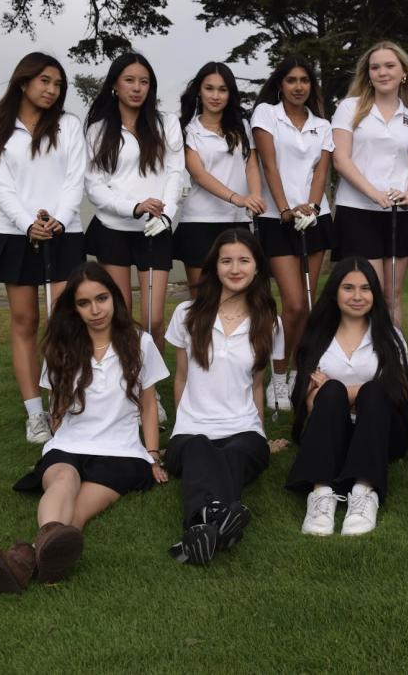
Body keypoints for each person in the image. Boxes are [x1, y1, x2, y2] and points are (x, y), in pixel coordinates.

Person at [0, 262, 168, 593]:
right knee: (64, 478)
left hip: (119, 453)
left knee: (78, 511)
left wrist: (152, 455)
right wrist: (58, 445)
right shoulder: (61, 348)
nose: (95, 310)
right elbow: (57, 410)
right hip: (70, 446)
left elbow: (148, 406)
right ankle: (41, 560)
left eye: (101, 298)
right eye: (84, 303)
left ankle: (21, 562)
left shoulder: (139, 342)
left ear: (115, 298)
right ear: (73, 308)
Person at [0, 52, 87, 444]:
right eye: (44, 81)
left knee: (64, 323)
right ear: (23, 82)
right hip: (15, 234)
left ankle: (62, 404)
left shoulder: (70, 125)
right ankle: (35, 415)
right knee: (24, 324)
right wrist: (28, 225)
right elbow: (2, 187)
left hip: (65, 231)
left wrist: (57, 218)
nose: (52, 90)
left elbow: (76, 177)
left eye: (58, 84)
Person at [164, 229, 289, 566]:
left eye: (244, 260)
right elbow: (181, 377)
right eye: (227, 261)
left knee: (236, 452)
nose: (235, 268)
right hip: (191, 432)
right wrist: (181, 425)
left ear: (258, 268)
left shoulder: (270, 323)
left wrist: (261, 437)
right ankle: (219, 521)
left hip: (243, 431)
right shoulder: (187, 314)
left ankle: (200, 527)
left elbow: (257, 386)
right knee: (200, 446)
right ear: (215, 267)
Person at [284, 257, 408, 537]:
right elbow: (309, 401)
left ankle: (364, 491)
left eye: (365, 288)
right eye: (348, 288)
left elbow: (399, 393)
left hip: (381, 433)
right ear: (333, 293)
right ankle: (321, 493)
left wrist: (342, 390)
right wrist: (342, 391)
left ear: (375, 294)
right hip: (333, 433)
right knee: (342, 391)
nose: (357, 296)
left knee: (367, 392)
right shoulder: (317, 337)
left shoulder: (391, 336)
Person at [83, 52, 185, 366]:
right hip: (112, 231)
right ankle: (129, 383)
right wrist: (134, 207)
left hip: (155, 231)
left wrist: (165, 215)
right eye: (129, 80)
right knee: (122, 316)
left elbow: (175, 172)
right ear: (115, 84)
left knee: (153, 321)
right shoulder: (98, 130)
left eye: (144, 81)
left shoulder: (166, 122)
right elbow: (94, 186)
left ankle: (150, 389)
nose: (137, 88)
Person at [250, 56, 336, 412]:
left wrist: (312, 209)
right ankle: (279, 378)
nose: (299, 86)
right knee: (294, 304)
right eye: (291, 80)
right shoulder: (266, 114)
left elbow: (321, 172)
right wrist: (286, 210)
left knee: (309, 306)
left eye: (305, 80)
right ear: (280, 84)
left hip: (315, 217)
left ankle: (301, 374)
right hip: (277, 217)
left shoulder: (323, 125)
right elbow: (268, 165)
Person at [329, 41, 408, 325]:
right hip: (358, 212)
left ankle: (393, 360)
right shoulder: (349, 108)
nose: (382, 72)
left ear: (403, 73)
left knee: (392, 294)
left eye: (389, 66)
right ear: (367, 74)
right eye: (375, 67)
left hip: (401, 215)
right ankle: (363, 361)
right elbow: (341, 160)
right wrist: (374, 194)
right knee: (364, 293)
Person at [172, 62, 265, 292]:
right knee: (202, 302)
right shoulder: (186, 129)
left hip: (238, 223)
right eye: (209, 88)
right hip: (198, 223)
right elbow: (198, 174)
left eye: (222, 89)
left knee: (241, 297)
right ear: (199, 91)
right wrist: (238, 199)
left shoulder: (243, 126)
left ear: (230, 93)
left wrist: (254, 197)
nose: (216, 95)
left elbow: (251, 165)